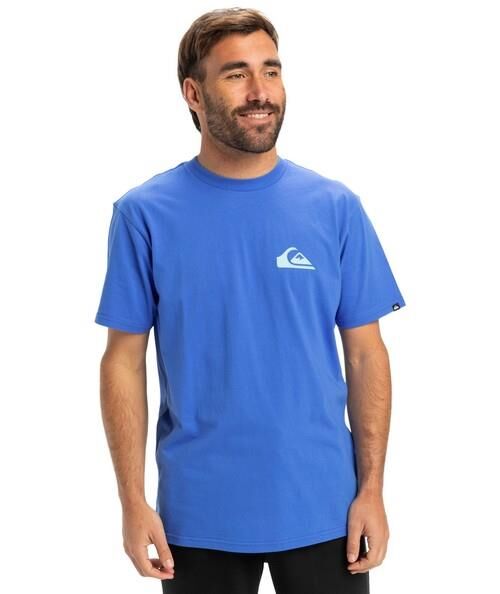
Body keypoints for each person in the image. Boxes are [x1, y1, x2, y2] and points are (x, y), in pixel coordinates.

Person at [94, 7, 406, 594]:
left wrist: (372, 489)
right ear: (194, 93)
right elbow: (123, 361)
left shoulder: (335, 207)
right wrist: (132, 501)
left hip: (326, 509)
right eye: (236, 74)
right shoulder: (144, 215)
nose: (260, 91)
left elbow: (367, 354)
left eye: (271, 70)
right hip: (197, 515)